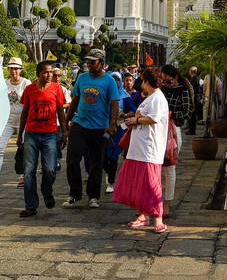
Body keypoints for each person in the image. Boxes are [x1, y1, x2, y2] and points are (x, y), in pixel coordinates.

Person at [62, 49, 123, 208]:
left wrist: (112, 125)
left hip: (99, 128)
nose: (89, 64)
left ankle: (93, 196)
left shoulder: (109, 81)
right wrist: (66, 122)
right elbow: (75, 100)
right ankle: (74, 194)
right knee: (72, 159)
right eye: (88, 61)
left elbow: (114, 104)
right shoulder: (82, 78)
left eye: (93, 62)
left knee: (96, 163)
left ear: (101, 63)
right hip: (80, 124)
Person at [113, 67, 169, 233]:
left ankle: (158, 218)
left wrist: (136, 120)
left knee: (152, 184)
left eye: (143, 81)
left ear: (148, 82)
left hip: (150, 148)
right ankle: (142, 215)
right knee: (140, 183)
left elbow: (153, 118)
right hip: (140, 147)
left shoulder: (158, 98)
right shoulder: (150, 97)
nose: (141, 84)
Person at [17, 59, 68, 218]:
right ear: (38, 73)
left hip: (50, 134)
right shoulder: (30, 89)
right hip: (31, 134)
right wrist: (20, 134)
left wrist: (64, 132)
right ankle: (31, 206)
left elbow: (60, 111)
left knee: (50, 169)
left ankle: (47, 190)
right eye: (46, 72)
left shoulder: (57, 89)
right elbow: (25, 112)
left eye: (51, 72)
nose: (49, 75)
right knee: (28, 171)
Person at [0, 58, 30, 192]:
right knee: (0, 148)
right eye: (11, 68)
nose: (13, 71)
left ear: (20, 70)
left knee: (24, 149)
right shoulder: (4, 84)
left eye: (16, 68)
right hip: (8, 121)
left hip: (24, 121)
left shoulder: (27, 84)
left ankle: (22, 177)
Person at [103, 70, 140, 194]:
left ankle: (111, 182)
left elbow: (133, 111)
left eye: (117, 80)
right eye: (112, 80)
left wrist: (124, 114)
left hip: (119, 128)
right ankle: (109, 172)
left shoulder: (125, 96)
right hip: (106, 128)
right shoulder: (104, 95)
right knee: (104, 154)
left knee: (113, 155)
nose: (115, 82)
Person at [160, 65, 193, 137]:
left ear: (176, 77)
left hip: (175, 128)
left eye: (168, 81)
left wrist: (171, 114)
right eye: (163, 81)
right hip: (161, 127)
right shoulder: (162, 89)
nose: (165, 84)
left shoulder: (182, 90)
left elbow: (187, 112)